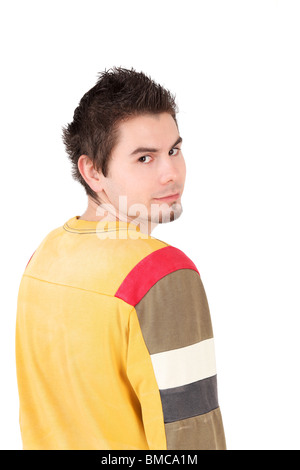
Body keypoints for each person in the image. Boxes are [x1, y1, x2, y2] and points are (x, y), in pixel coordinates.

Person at [15, 67, 226, 450]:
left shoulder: (42, 259)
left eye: (174, 150)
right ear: (93, 171)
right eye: (145, 158)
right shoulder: (162, 275)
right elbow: (190, 438)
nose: (171, 174)